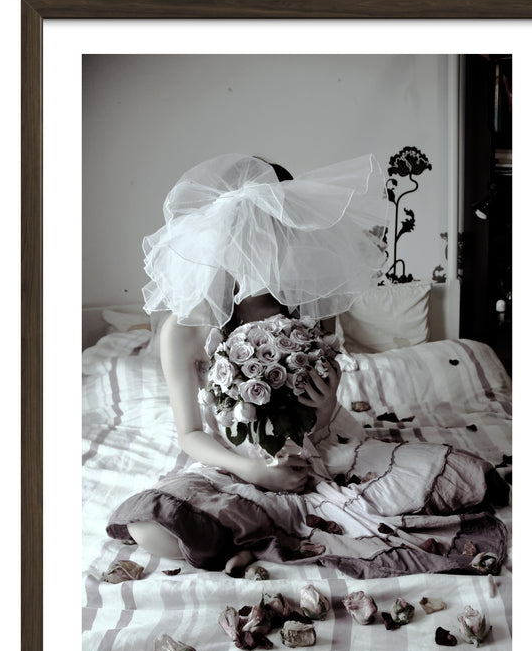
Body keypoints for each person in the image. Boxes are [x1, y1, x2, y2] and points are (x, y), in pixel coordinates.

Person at [107, 153, 508, 577]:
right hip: (232, 463)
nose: (264, 241)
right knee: (150, 528)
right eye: (250, 229)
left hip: (318, 452)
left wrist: (326, 403)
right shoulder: (185, 327)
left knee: (468, 478)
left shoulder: (314, 307)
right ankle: (264, 529)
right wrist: (254, 472)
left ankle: (256, 536)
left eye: (278, 226)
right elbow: (190, 433)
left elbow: (320, 420)